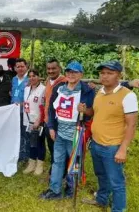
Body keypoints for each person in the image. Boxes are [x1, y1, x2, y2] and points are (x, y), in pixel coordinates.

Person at [82, 61, 138, 211]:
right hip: (96, 143)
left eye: (109, 73)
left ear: (119, 75)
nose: (104, 76)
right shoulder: (99, 93)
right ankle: (101, 200)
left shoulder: (128, 95)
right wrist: (85, 110)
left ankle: (118, 209)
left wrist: (123, 149)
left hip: (113, 147)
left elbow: (132, 125)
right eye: (102, 73)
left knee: (116, 182)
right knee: (101, 175)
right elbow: (95, 113)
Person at [41, 61, 95, 200]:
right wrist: (51, 127)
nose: (71, 75)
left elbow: (92, 112)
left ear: (81, 74)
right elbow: (52, 110)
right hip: (59, 134)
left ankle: (70, 189)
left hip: (76, 135)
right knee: (57, 162)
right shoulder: (59, 89)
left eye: (75, 72)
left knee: (74, 165)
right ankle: (55, 190)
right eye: (69, 72)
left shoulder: (87, 91)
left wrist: (85, 110)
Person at [43, 58, 67, 171]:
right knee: (51, 147)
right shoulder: (48, 81)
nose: (51, 71)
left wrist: (90, 86)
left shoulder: (65, 82)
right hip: (48, 121)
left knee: (60, 149)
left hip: (59, 122)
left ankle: (62, 171)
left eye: (54, 68)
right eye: (48, 68)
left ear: (59, 68)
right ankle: (55, 167)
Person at [22, 69, 46, 175]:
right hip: (28, 121)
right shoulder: (27, 89)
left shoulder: (43, 89)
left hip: (38, 121)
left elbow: (44, 107)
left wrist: (39, 120)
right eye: (30, 76)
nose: (32, 78)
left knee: (40, 143)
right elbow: (26, 104)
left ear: (39, 77)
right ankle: (31, 164)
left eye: (34, 76)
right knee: (31, 143)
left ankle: (39, 165)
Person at [11, 58, 29, 162]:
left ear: (26, 67)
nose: (20, 68)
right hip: (13, 112)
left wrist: (21, 104)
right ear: (15, 68)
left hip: (25, 112)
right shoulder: (14, 79)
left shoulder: (30, 79)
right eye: (18, 67)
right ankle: (17, 153)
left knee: (25, 133)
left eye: (22, 66)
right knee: (16, 133)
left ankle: (25, 156)